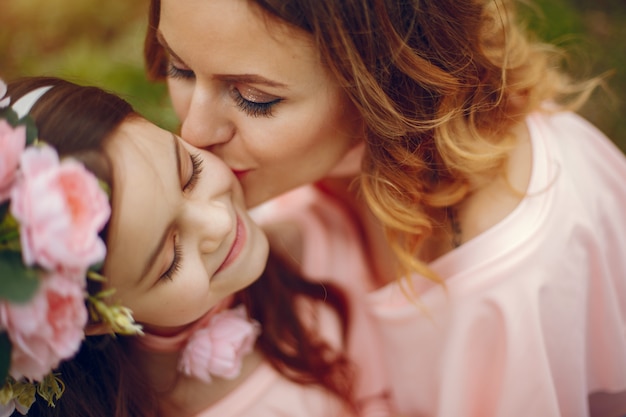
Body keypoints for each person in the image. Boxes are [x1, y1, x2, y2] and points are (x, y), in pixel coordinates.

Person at [144, 0, 626, 416]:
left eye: (254, 98)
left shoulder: (510, 286)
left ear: (386, 81)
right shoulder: (313, 162)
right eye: (179, 66)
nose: (195, 133)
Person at [0, 77, 397, 417]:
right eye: (171, 261)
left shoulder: (319, 225)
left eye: (190, 172)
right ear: (100, 319)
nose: (220, 223)